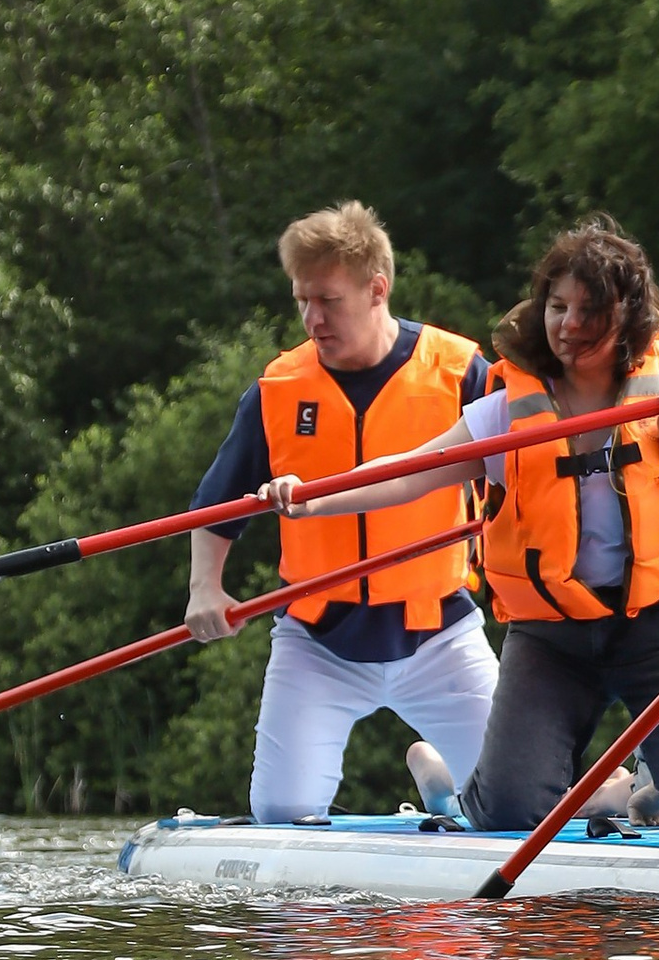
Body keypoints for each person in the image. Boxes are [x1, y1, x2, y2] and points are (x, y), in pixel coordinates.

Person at [276, 219, 659, 832]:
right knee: (507, 813)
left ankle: (645, 782)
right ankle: (456, 793)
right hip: (553, 639)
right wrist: (313, 498)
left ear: (628, 321)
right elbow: (411, 473)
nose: (568, 325)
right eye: (557, 307)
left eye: (589, 311)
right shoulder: (506, 411)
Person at [186, 202, 499, 824]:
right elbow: (218, 500)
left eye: (327, 300)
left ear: (376, 288)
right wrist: (205, 588)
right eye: (302, 299)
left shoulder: (461, 370)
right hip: (316, 640)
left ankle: (451, 788)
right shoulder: (278, 388)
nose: (311, 317)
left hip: (440, 634)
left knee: (529, 806)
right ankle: (453, 792)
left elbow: (519, 470)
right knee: (280, 813)